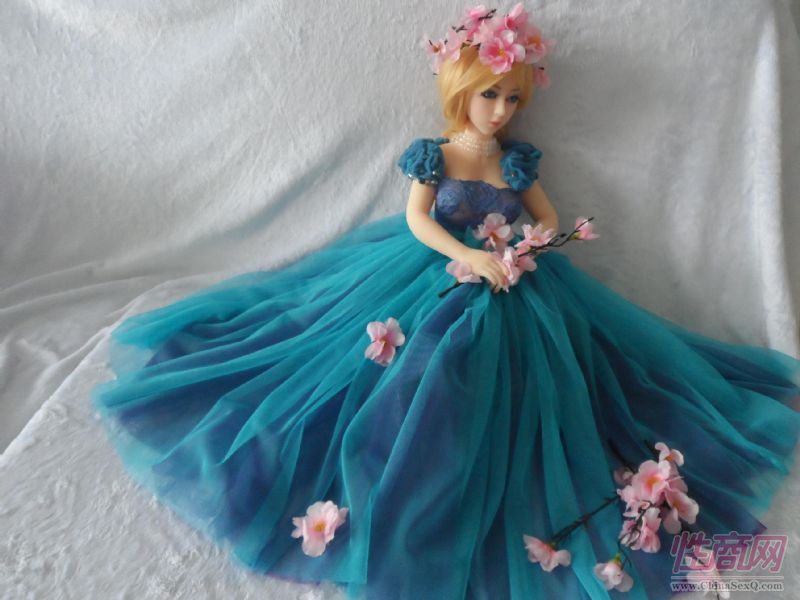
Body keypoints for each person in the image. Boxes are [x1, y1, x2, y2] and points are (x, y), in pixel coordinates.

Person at [91, 4, 800, 599]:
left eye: (513, 98)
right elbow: (417, 219)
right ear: (462, 90)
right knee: (408, 357)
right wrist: (471, 256)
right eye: (490, 95)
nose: (501, 110)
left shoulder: (515, 160)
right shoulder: (437, 154)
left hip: (515, 274)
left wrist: (523, 246)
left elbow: (547, 215)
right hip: (434, 268)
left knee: (545, 374)